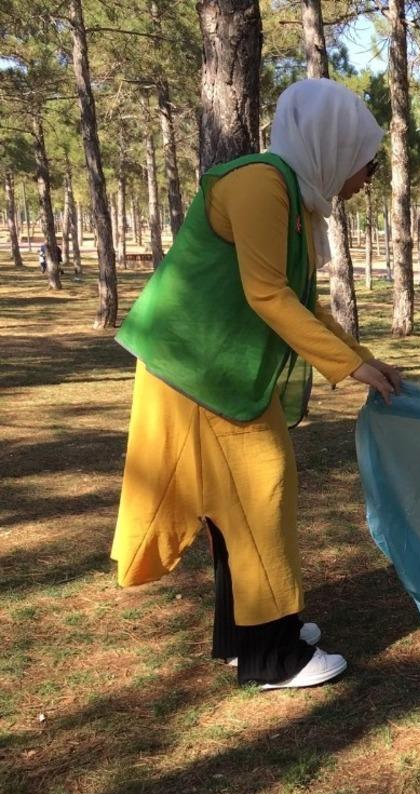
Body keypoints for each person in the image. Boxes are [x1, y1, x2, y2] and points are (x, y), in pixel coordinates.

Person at [110, 78, 402, 691]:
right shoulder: (260, 185)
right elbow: (267, 294)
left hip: (220, 371)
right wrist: (349, 368)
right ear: (334, 146)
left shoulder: (294, 200)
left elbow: (298, 300)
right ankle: (273, 659)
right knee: (259, 493)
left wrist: (363, 357)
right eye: (366, 161)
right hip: (195, 370)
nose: (367, 176)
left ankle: (253, 635)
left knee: (245, 504)